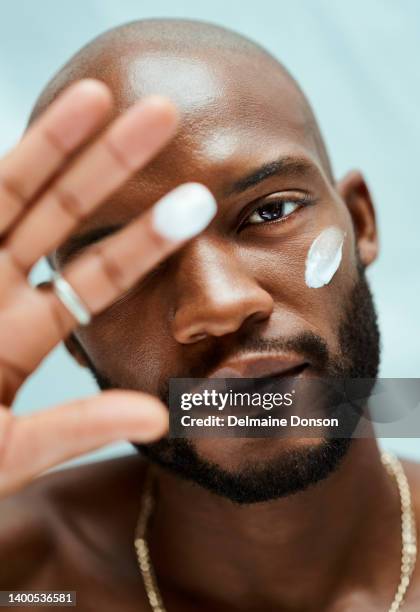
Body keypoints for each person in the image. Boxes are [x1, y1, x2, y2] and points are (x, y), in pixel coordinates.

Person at [0, 18, 419, 612]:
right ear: (70, 330)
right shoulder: (21, 583)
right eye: (127, 263)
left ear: (360, 224)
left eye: (270, 211)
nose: (219, 307)